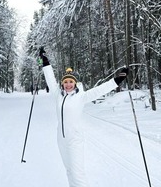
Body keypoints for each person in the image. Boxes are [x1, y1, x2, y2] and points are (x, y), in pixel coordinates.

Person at [38, 47, 128, 187]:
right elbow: (50, 79)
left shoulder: (82, 97)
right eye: (66, 82)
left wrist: (117, 81)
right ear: (62, 83)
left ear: (75, 83)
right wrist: (45, 61)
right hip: (61, 139)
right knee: (69, 171)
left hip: (75, 139)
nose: (68, 85)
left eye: (71, 82)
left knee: (77, 173)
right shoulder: (58, 95)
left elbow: (100, 90)